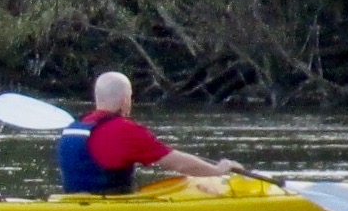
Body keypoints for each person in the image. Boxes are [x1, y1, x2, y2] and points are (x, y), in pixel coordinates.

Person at [55, 71, 240, 194]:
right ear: (126, 99)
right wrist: (217, 171)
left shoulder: (73, 128)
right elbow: (180, 164)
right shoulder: (125, 130)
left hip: (73, 202)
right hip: (112, 209)